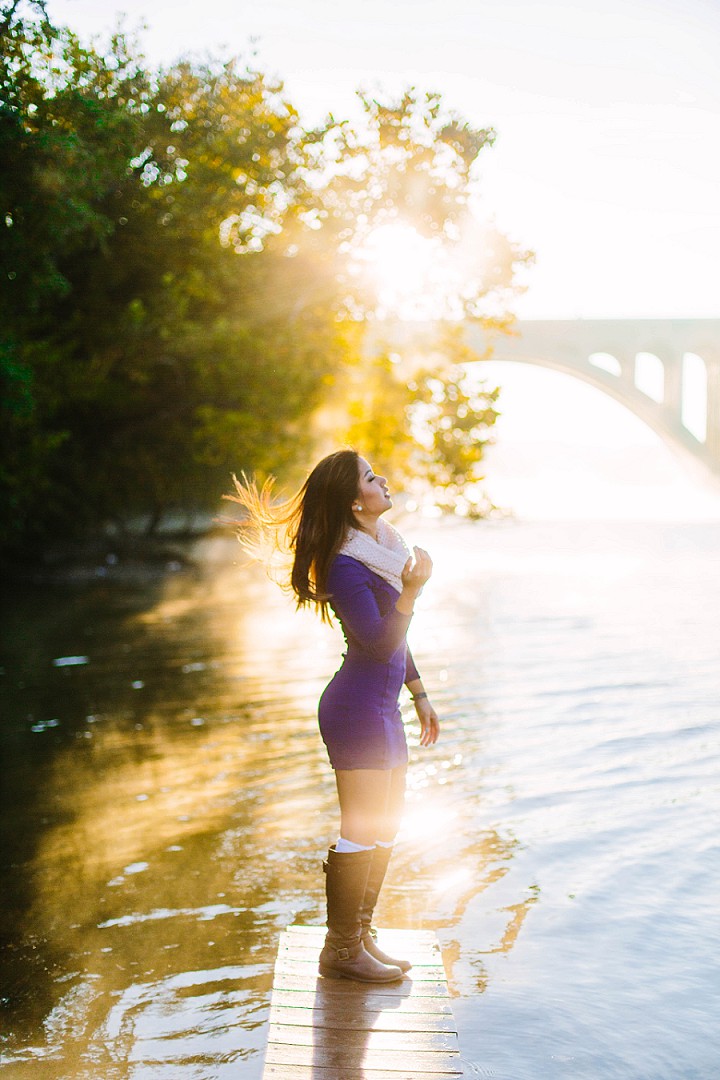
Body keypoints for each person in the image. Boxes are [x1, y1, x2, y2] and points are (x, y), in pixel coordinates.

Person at [228, 449, 439, 983]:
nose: (383, 479)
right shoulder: (346, 564)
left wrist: (419, 694)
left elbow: (398, 639)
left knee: (387, 828)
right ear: (353, 500)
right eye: (372, 477)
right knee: (361, 830)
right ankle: (341, 951)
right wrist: (411, 593)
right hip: (355, 710)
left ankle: (360, 934)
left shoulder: (382, 550)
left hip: (384, 707)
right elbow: (374, 640)